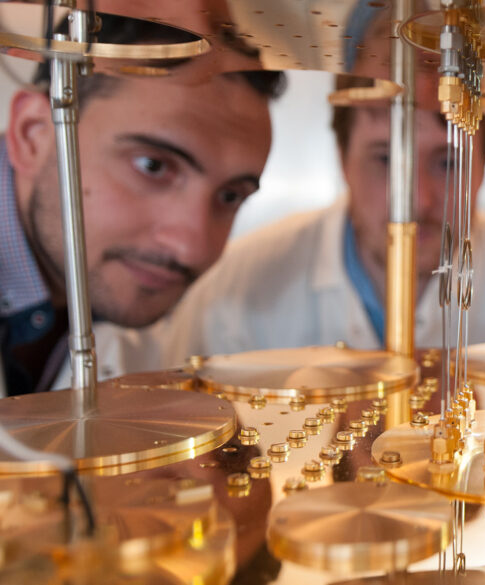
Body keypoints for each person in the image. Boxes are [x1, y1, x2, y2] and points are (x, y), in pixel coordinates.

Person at [129, 62, 485, 367]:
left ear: (484, 168)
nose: (415, 201)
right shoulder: (236, 292)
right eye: (385, 160)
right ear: (342, 160)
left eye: (447, 163)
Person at [0, 16, 285, 395]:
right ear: (32, 135)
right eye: (153, 166)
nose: (190, 247)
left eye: (230, 196)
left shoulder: (108, 295)